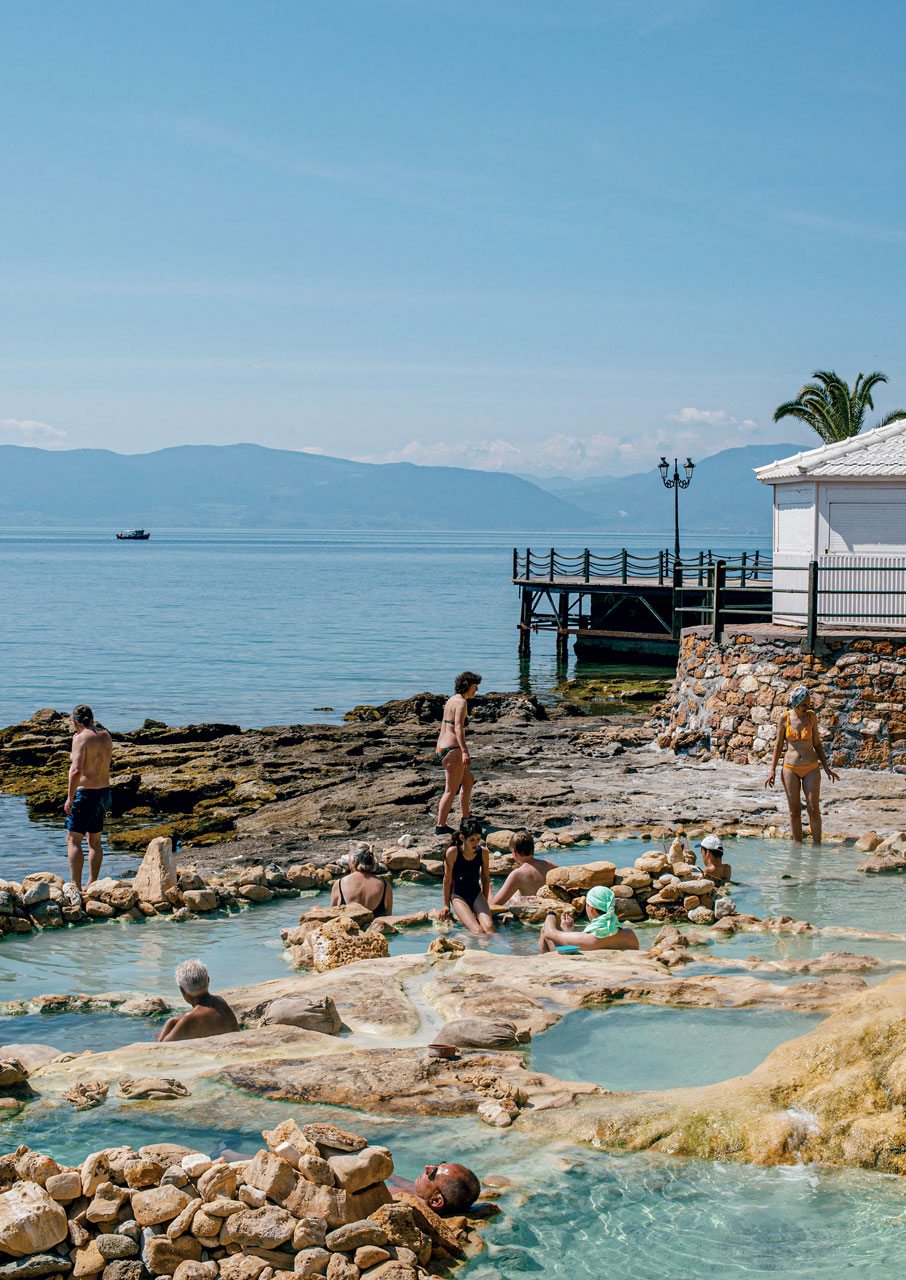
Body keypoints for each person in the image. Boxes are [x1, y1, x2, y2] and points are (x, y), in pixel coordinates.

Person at [765, 685, 839, 843]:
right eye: (804, 704)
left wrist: (826, 768)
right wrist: (772, 771)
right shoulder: (784, 718)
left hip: (811, 767)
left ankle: (817, 847)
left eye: (808, 704)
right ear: (795, 704)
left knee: (813, 808)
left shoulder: (812, 717)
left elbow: (817, 744)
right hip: (789, 769)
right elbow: (778, 746)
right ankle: (797, 847)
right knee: (794, 811)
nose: (807, 707)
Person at [64, 705, 113, 893]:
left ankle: (75, 886)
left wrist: (70, 797)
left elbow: (76, 770)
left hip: (85, 794)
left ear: (75, 721)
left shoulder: (80, 738)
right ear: (92, 718)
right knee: (95, 841)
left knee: (73, 839)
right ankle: (92, 884)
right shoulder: (105, 735)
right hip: (104, 792)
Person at [434, 671, 481, 836]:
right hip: (453, 749)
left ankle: (465, 817)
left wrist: (440, 747)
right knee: (450, 790)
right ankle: (441, 825)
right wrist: (464, 751)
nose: (476, 691)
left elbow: (444, 725)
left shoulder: (451, 700)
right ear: (467, 684)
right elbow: (458, 729)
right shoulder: (461, 703)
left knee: (468, 779)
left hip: (442, 747)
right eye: (475, 687)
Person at [156, 960, 239, 1043]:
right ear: (208, 980)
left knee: (171, 1022)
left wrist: (170, 1023)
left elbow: (161, 1047)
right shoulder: (220, 1001)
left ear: (182, 990)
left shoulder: (190, 1018)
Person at [538, 885, 639, 952]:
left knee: (544, 930)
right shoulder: (629, 935)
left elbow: (549, 932)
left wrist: (550, 913)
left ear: (591, 908)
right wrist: (568, 932)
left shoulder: (583, 938)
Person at [440, 816, 494, 936]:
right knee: (478, 931)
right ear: (462, 838)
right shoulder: (453, 852)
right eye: (472, 839)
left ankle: (502, 949)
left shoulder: (483, 853)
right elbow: (447, 880)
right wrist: (446, 906)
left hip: (475, 893)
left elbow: (485, 879)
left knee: (489, 928)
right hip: (458, 895)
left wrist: (484, 903)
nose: (476, 843)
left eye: (478, 839)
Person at [489, 830, 555, 907]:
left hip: (528, 913)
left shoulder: (517, 874)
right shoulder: (549, 864)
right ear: (533, 848)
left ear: (514, 852)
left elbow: (493, 905)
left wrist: (488, 890)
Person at [390, 1162, 481, 1216]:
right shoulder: (425, 1194)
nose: (427, 1166)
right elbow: (405, 1184)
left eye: (432, 1172)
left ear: (436, 1201)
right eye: (438, 1164)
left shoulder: (401, 1208)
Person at [330, 842, 393, 917]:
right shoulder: (385, 886)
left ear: (354, 859)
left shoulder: (340, 884)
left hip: (348, 927)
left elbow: (332, 915)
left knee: (315, 908)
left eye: (348, 857)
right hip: (374, 928)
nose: (348, 861)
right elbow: (389, 916)